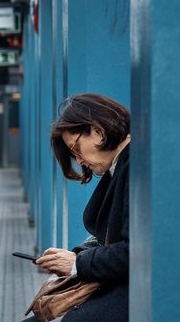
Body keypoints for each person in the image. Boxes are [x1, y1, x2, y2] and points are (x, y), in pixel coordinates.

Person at [24, 93, 131, 321]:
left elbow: (137, 251)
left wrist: (77, 263)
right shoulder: (121, 166)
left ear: (98, 131)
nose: (79, 161)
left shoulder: (135, 168)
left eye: (76, 149)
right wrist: (75, 256)